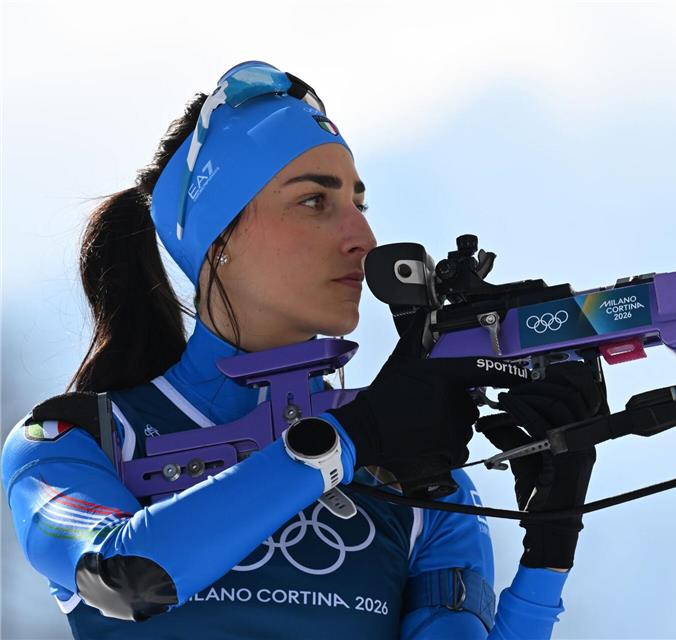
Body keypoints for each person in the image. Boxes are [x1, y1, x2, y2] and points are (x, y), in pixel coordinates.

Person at [1, 61, 604, 639]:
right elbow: (125, 578)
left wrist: (550, 544)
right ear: (220, 237)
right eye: (315, 201)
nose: (363, 239)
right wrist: (351, 438)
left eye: (359, 204)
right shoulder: (68, 439)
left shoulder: (423, 474)